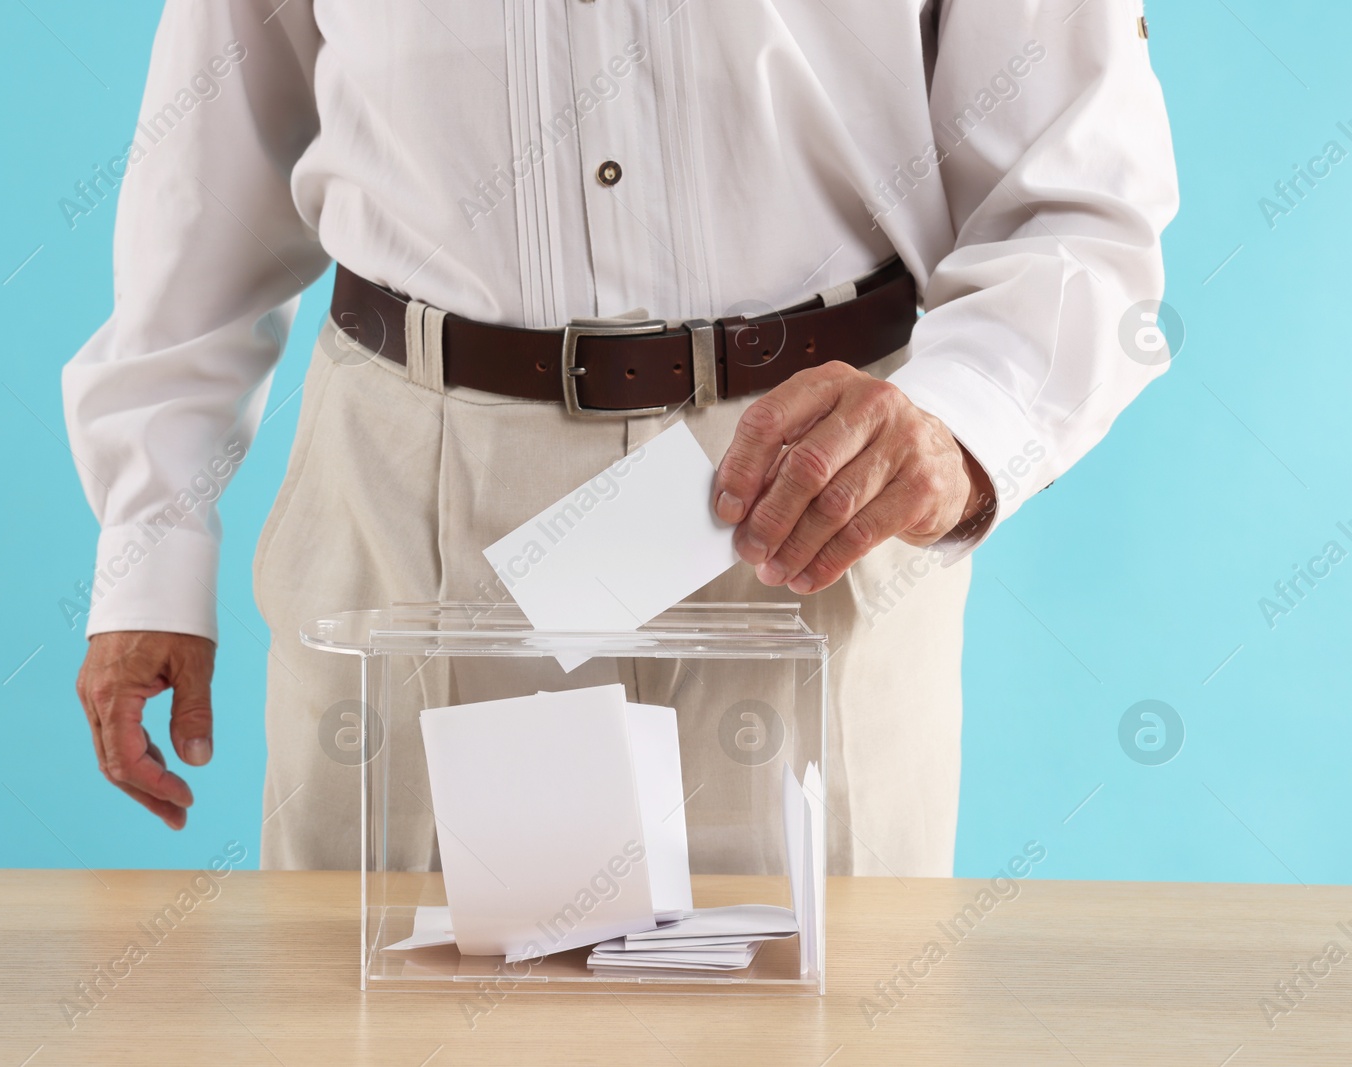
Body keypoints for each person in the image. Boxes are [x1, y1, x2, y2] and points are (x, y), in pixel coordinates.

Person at [63, 0, 1176, 876]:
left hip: (804, 498)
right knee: (376, 1020)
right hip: (404, 505)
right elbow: (205, 181)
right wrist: (149, 553)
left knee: (824, 1022)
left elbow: (1076, 202)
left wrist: (957, 424)